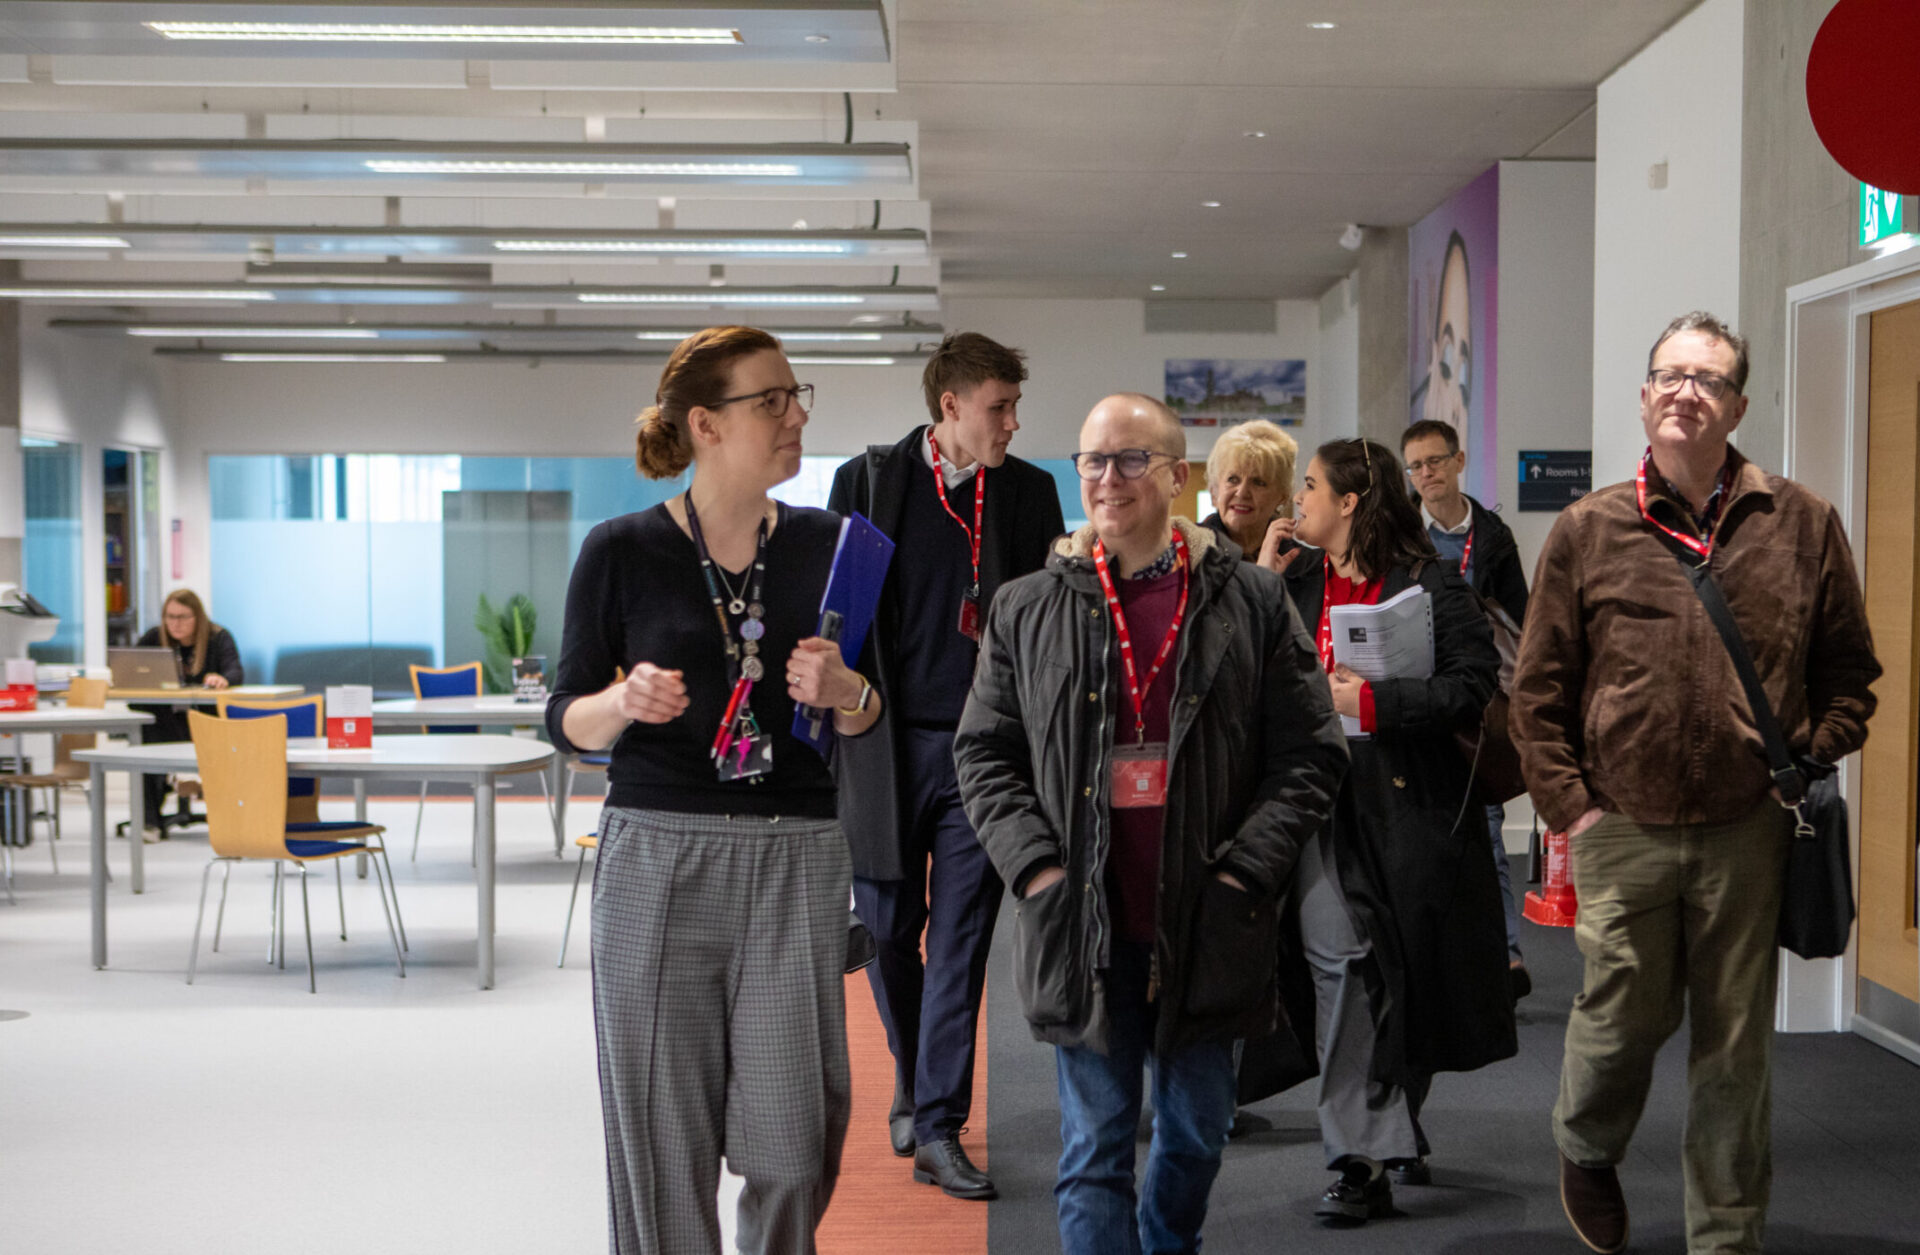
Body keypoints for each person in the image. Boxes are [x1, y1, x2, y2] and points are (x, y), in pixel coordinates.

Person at [1511, 311, 1880, 1255]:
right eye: (1669, 375)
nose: (1686, 391)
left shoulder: (1801, 522)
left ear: (1737, 405)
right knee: (1624, 1012)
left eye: (1708, 380)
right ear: (1644, 398)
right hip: (1619, 823)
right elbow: (1537, 687)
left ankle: (1725, 1232)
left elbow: (1851, 671)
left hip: (1747, 825)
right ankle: (1588, 1141)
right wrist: (1572, 810)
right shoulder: (1591, 527)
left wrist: (1801, 758)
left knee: (1735, 1043)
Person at [954, 393, 1346, 1255]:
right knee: (1094, 1150)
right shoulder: (1026, 608)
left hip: (1209, 917)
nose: (1108, 478)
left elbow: (1312, 754)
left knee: (1196, 1134)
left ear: (1176, 476)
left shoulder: (1249, 601)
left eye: (1132, 460)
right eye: (1093, 460)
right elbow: (982, 755)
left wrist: (1247, 870)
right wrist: (1038, 871)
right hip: (1081, 925)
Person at [546, 326, 880, 1255]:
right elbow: (567, 716)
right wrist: (620, 701)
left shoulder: (836, 547)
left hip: (796, 855)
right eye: (771, 398)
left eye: (795, 393)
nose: (797, 412)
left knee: (794, 1142)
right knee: (662, 1134)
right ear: (706, 424)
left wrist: (848, 691)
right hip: (659, 852)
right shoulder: (619, 550)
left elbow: (871, 709)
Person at [826, 331, 1063, 1199]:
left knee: (959, 940)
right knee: (888, 932)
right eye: (999, 406)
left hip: (985, 756)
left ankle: (938, 1125)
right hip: (884, 742)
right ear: (950, 407)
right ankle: (915, 1070)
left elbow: (1048, 625)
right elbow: (840, 616)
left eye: (1014, 406)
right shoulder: (871, 479)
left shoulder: (1032, 493)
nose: (1012, 421)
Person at [1281, 437, 1515, 1225]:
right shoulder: (1298, 579)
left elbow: (1471, 687)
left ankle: (1385, 1121)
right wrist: (1262, 578)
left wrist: (1372, 704)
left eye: (1310, 486)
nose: (1299, 496)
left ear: (1350, 502)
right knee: (1343, 962)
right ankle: (1357, 1155)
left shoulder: (1429, 583)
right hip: (1320, 802)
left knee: (1404, 969)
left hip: (1408, 803)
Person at [1400, 417, 1533, 998]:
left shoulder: (1494, 534)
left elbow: (1521, 617)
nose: (1426, 474)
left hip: (1479, 699)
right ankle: (1433, 963)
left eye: (1435, 461)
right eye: (1416, 466)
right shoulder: (1401, 531)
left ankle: (1505, 957)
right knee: (1425, 835)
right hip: (1417, 698)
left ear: (1458, 462)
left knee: (1487, 826)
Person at [132, 589, 243, 838]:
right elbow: (131, 667)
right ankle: (149, 822)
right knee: (144, 743)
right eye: (170, 616)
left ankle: (228, 822)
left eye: (183, 616)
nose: (175, 623)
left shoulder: (218, 637)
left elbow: (235, 671)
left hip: (206, 721)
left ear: (198, 617)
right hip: (165, 721)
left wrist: (222, 679)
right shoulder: (153, 637)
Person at [1198, 419, 1300, 573]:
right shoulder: (1188, 555)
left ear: (1282, 496)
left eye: (1258, 482)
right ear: (1214, 490)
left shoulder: (1304, 563)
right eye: (1233, 479)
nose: (1242, 492)